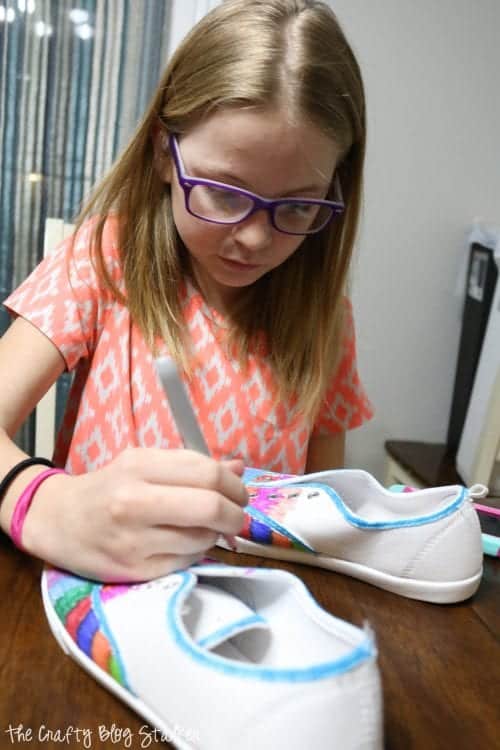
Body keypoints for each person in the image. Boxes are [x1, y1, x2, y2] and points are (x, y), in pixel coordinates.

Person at [0, 0, 372, 583]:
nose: (253, 238)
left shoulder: (326, 320)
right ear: (161, 153)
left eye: (298, 205)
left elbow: (321, 514)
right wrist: (41, 503)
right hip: (99, 612)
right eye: (224, 192)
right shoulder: (104, 260)